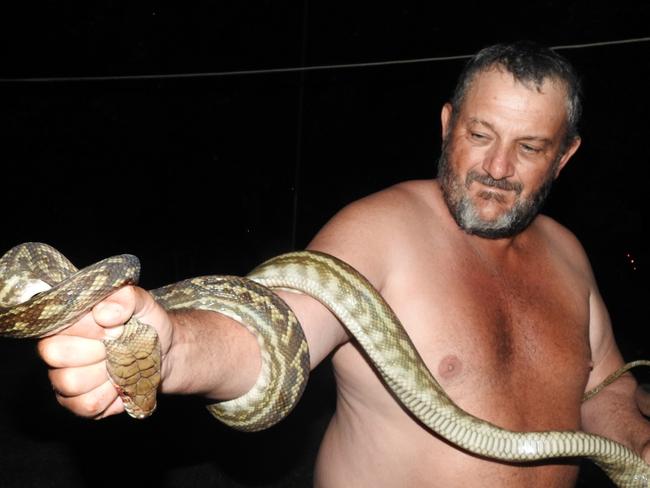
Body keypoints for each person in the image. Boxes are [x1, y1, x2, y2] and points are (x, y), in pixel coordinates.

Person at [37, 41, 650, 487]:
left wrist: (638, 445)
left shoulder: (568, 254)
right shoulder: (379, 231)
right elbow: (273, 333)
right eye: (480, 134)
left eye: (529, 147)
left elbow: (605, 389)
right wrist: (170, 349)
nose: (496, 167)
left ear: (565, 156)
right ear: (447, 125)